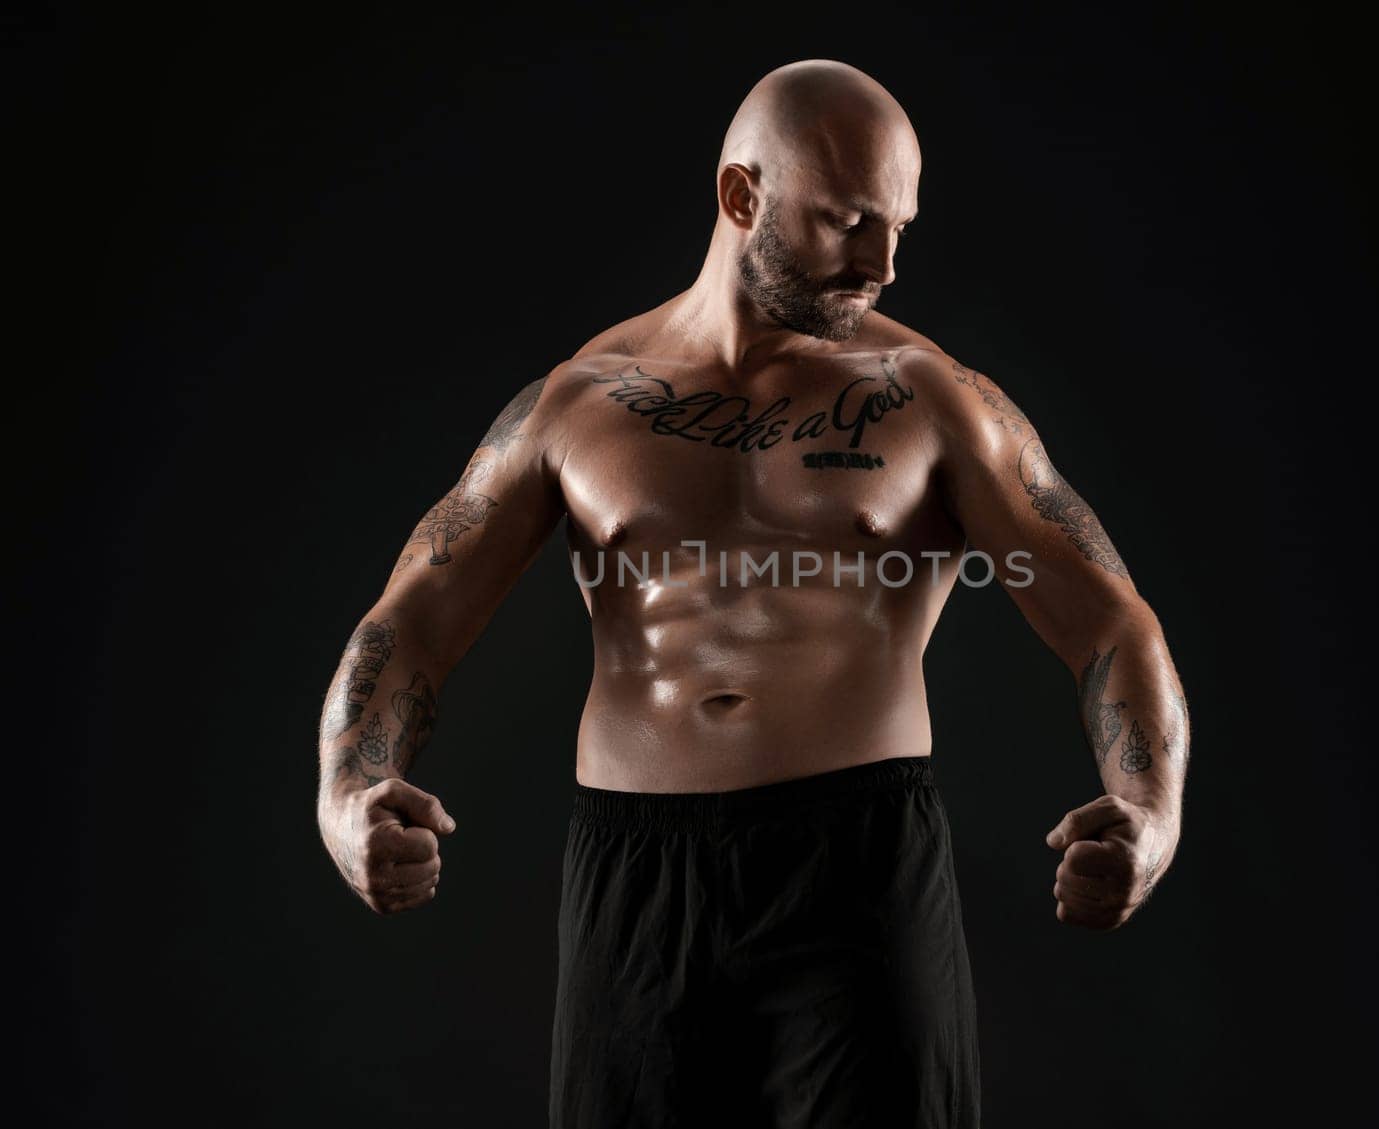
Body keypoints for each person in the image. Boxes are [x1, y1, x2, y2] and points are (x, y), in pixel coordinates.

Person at [315, 57, 1189, 1129]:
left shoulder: (932, 400)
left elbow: (1108, 614)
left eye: (900, 227)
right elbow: (410, 619)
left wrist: (1151, 812)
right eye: (849, 221)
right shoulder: (578, 402)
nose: (884, 264)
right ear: (741, 197)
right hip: (636, 872)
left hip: (857, 866)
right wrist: (343, 798)